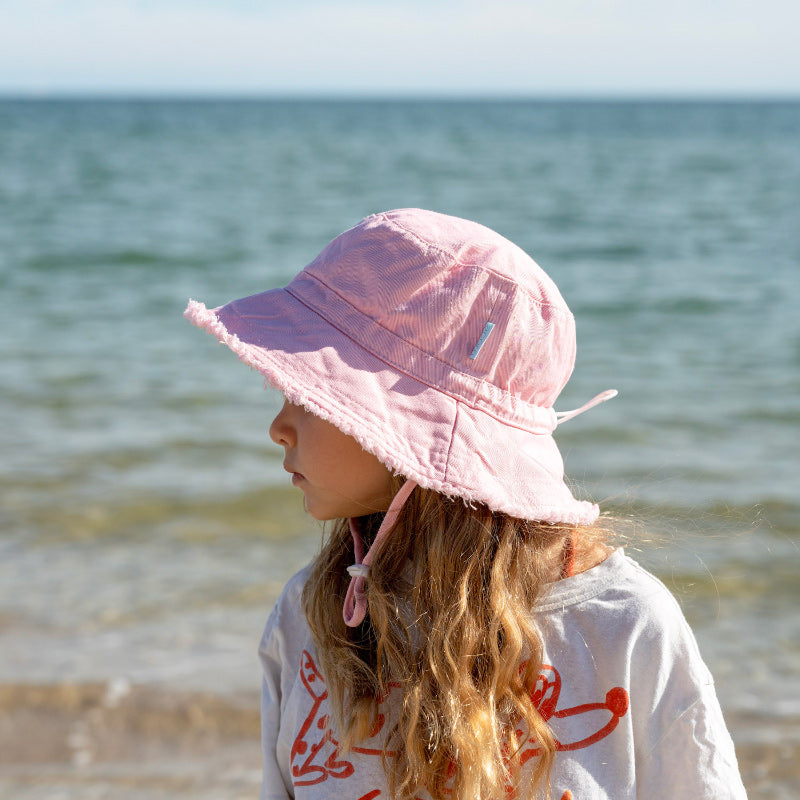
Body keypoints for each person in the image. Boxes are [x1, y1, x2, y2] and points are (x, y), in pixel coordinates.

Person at [184, 209, 747, 800]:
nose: (278, 427)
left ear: (408, 436)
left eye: (308, 394)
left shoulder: (622, 626)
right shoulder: (311, 615)